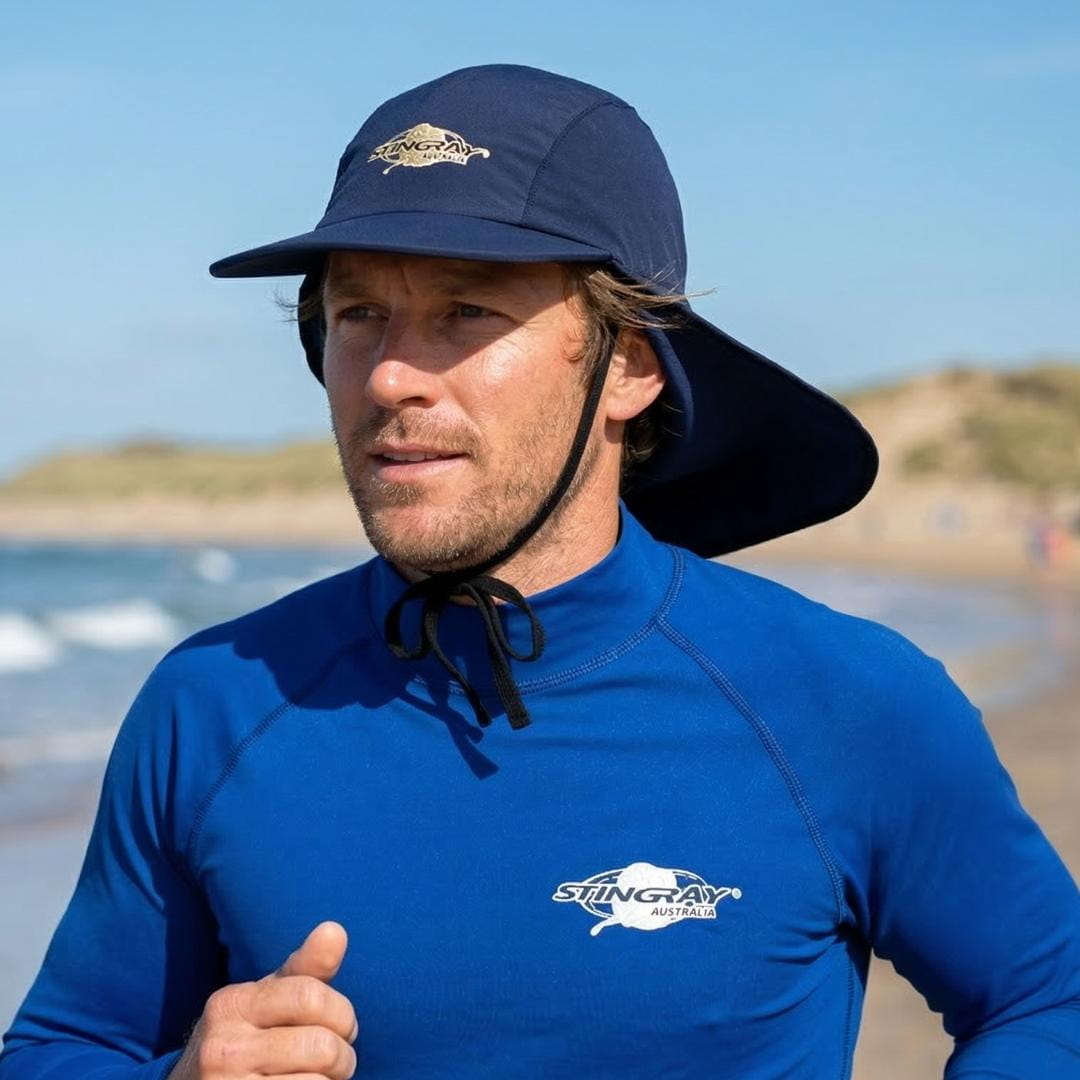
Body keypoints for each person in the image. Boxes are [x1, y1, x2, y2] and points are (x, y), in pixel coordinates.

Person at [1, 63, 1077, 1080]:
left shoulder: (845, 701)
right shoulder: (217, 703)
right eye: (358, 312)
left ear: (630, 367)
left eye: (467, 312)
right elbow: (62, 1045)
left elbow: (1047, 1001)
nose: (387, 376)